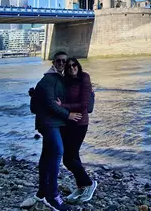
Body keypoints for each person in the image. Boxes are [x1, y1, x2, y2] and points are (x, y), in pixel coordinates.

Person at [22, 52, 81, 211]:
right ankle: (52, 196)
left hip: (52, 122)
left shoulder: (58, 79)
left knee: (47, 155)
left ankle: (42, 193)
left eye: (65, 61)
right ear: (54, 62)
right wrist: (68, 115)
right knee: (57, 152)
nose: (62, 63)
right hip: (49, 123)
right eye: (59, 61)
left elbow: (40, 104)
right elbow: (49, 103)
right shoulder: (49, 79)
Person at [59, 57, 98, 202]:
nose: (71, 68)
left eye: (74, 65)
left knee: (68, 159)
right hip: (67, 122)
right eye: (68, 66)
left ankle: (89, 183)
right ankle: (81, 185)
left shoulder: (84, 77)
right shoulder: (66, 81)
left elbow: (83, 104)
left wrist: (63, 106)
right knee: (73, 156)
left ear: (78, 66)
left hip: (80, 123)